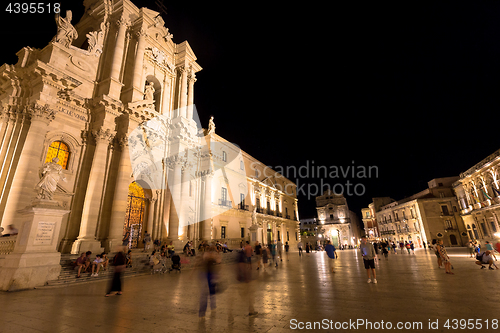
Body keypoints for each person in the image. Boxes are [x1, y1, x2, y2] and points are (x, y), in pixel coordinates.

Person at [199, 245, 221, 319]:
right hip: (207, 275)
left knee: (210, 292)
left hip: (209, 275)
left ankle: (210, 308)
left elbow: (218, 262)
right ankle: (206, 311)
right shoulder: (207, 255)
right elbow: (218, 261)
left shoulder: (207, 255)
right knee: (208, 293)